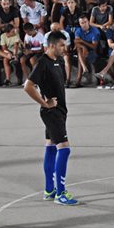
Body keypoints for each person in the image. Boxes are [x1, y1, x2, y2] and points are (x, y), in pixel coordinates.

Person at [23, 31, 77, 205]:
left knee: (51, 147)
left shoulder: (58, 61)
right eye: (61, 45)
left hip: (60, 111)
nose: (65, 48)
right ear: (52, 45)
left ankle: (49, 190)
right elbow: (28, 86)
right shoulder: (43, 63)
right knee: (65, 149)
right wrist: (45, 103)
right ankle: (61, 193)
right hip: (51, 113)